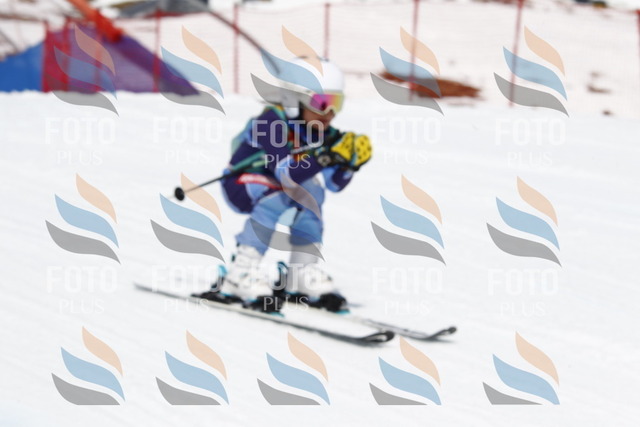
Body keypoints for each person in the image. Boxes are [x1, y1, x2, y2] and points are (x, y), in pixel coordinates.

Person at [200, 57, 372, 313]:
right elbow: (285, 174)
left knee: (313, 193)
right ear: (294, 99)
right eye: (321, 103)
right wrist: (325, 157)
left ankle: (300, 272)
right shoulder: (269, 123)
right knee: (276, 194)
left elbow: (334, 185)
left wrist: (349, 164)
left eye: (336, 103)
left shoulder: (321, 130)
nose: (330, 113)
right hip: (241, 184)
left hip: (277, 184)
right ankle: (240, 273)